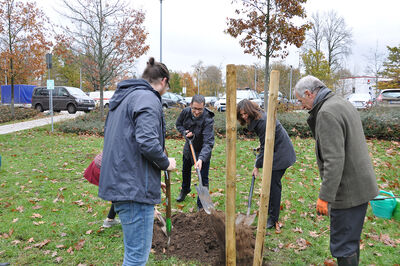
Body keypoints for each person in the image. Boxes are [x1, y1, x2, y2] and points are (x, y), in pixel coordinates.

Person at [99, 57, 176, 266]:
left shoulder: (125, 96)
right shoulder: (148, 98)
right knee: (136, 258)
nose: (165, 91)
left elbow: (128, 146)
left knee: (133, 254)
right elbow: (147, 142)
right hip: (133, 192)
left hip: (125, 183)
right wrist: (165, 163)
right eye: (167, 87)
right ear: (163, 81)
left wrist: (150, 178)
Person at [294, 75, 378, 266]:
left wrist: (325, 197)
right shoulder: (341, 103)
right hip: (360, 186)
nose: (301, 106)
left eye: (301, 100)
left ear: (308, 93)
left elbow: (334, 160)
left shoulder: (326, 113)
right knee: (350, 241)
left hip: (347, 191)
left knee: (343, 246)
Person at [237, 99, 296, 231]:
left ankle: (273, 218)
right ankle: (270, 210)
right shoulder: (258, 117)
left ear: (250, 110)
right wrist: (261, 147)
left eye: (245, 113)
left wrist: (256, 166)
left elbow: (266, 146)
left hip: (281, 154)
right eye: (241, 115)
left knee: (273, 186)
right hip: (276, 150)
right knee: (270, 184)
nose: (244, 116)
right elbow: (266, 141)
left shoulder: (262, 121)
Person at [175, 94, 215, 210]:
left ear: (204, 107)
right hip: (189, 147)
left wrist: (201, 159)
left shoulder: (208, 119)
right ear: (190, 105)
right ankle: (185, 189)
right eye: (194, 108)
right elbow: (178, 124)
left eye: (200, 109)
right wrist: (184, 132)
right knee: (185, 171)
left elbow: (208, 142)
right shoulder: (185, 112)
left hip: (203, 150)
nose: (197, 112)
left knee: (203, 177)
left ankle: (202, 205)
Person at [83, 152, 119, 228]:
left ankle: (110, 219)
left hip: (100, 164)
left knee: (118, 193)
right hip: (104, 168)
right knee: (120, 193)